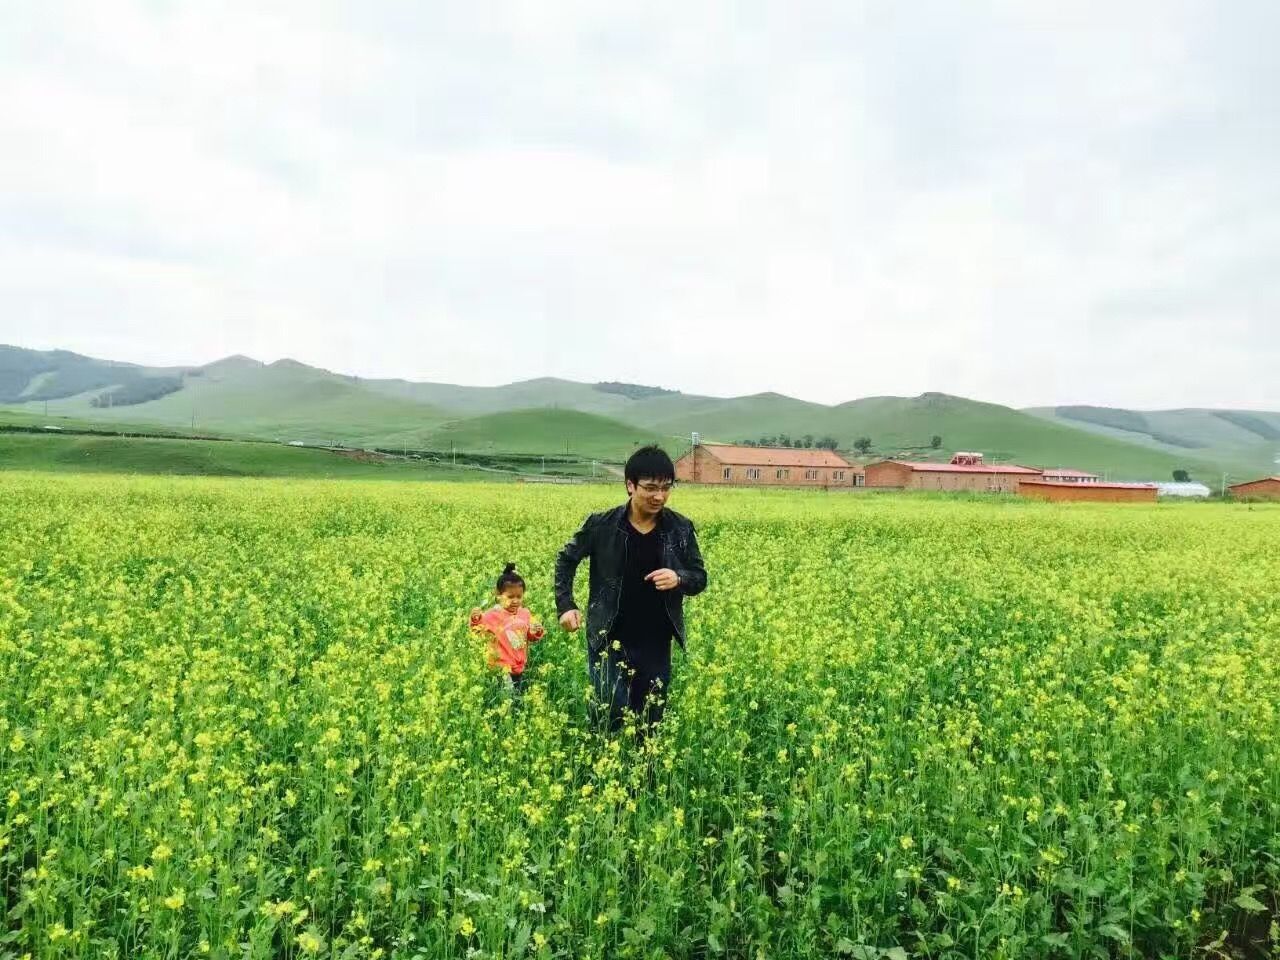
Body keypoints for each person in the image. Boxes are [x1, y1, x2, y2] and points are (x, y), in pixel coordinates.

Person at [555, 445, 707, 734]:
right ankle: (603, 772)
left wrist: (678, 578)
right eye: (650, 488)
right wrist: (566, 605)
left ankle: (645, 776)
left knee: (650, 720)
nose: (659, 496)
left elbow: (699, 577)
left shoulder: (680, 528)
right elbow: (566, 559)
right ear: (629, 485)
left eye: (666, 488)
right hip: (608, 635)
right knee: (609, 713)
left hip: (655, 640)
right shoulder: (601, 525)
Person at [469, 563, 545, 695]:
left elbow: (530, 635)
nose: (515, 601)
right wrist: (475, 619)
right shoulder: (493, 615)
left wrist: (537, 631)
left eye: (519, 597)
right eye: (510, 597)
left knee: (517, 695)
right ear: (498, 594)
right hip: (501, 667)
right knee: (508, 698)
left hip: (519, 665)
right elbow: (477, 630)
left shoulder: (525, 613)